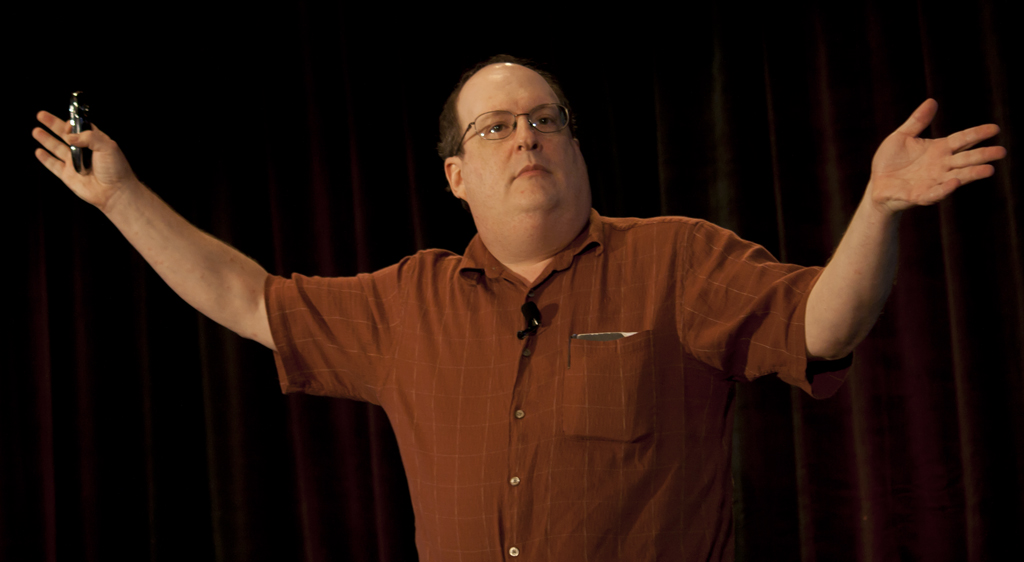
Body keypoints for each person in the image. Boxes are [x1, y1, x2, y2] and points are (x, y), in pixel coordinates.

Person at [32, 55, 1005, 561]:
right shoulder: (410, 301)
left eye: (546, 120)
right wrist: (120, 195)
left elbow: (822, 325)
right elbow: (245, 295)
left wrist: (874, 208)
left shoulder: (674, 258)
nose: (527, 137)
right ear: (457, 173)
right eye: (498, 126)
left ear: (577, 149)